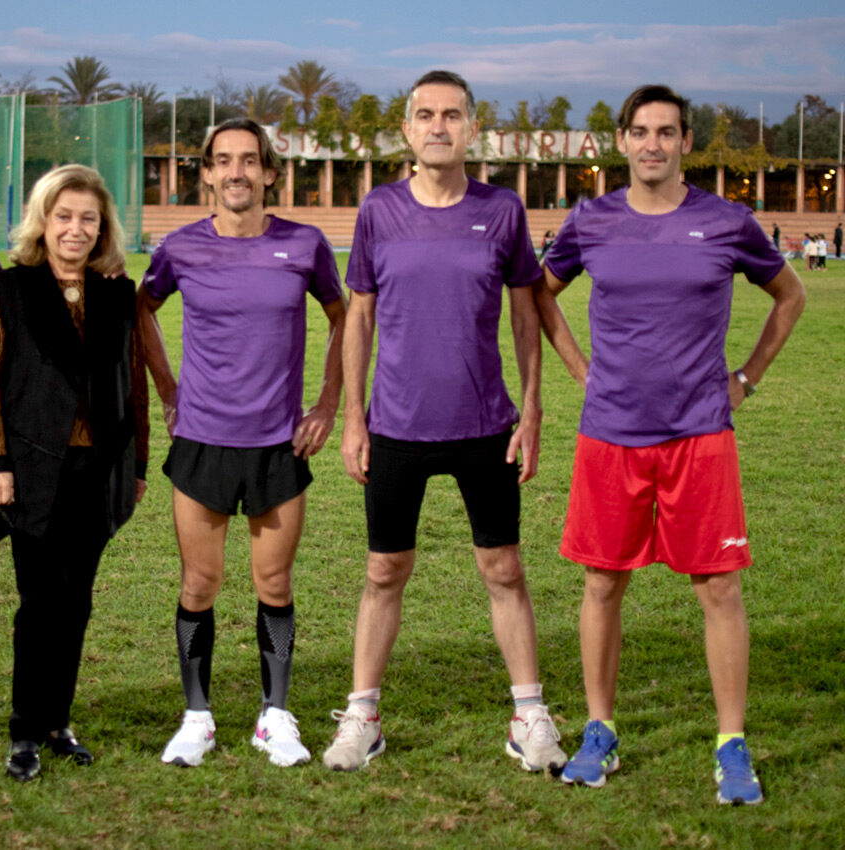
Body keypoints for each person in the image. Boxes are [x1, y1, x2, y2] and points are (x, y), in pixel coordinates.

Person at [535, 84, 804, 804]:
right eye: (641, 131)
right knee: (601, 583)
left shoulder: (726, 222)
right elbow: (537, 296)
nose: (652, 143)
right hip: (611, 436)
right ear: (622, 141)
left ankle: (731, 743)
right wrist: (578, 372)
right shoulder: (591, 221)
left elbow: (791, 297)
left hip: (700, 434)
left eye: (667, 132)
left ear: (686, 143)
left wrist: (745, 377)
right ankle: (600, 730)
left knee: (718, 586)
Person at [324, 70, 566, 776]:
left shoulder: (502, 210)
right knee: (383, 570)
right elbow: (359, 315)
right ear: (406, 130)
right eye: (425, 114)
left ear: (471, 128)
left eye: (451, 115)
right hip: (396, 424)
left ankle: (529, 715)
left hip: (485, 423)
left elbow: (527, 314)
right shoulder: (378, 210)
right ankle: (362, 716)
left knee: (504, 568)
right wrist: (353, 418)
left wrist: (533, 409)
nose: (438, 126)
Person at [139, 118, 345, 769]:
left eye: (249, 161)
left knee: (274, 581)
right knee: (199, 581)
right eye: (223, 161)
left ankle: (273, 715)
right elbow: (140, 309)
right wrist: (168, 390)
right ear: (206, 173)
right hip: (202, 439)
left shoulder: (305, 245)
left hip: (278, 445)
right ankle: (196, 717)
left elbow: (345, 318)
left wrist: (327, 403)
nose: (236, 172)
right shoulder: (180, 247)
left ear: (268, 172)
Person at [0, 163, 149, 782]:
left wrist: (139, 466)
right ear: (43, 222)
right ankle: (24, 729)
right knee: (39, 602)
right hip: (31, 470)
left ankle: (57, 721)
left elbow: (135, 388)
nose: (75, 229)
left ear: (102, 229)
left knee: (77, 603)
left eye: (88, 219)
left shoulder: (118, 295)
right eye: (64, 216)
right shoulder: (11, 290)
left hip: (99, 473)